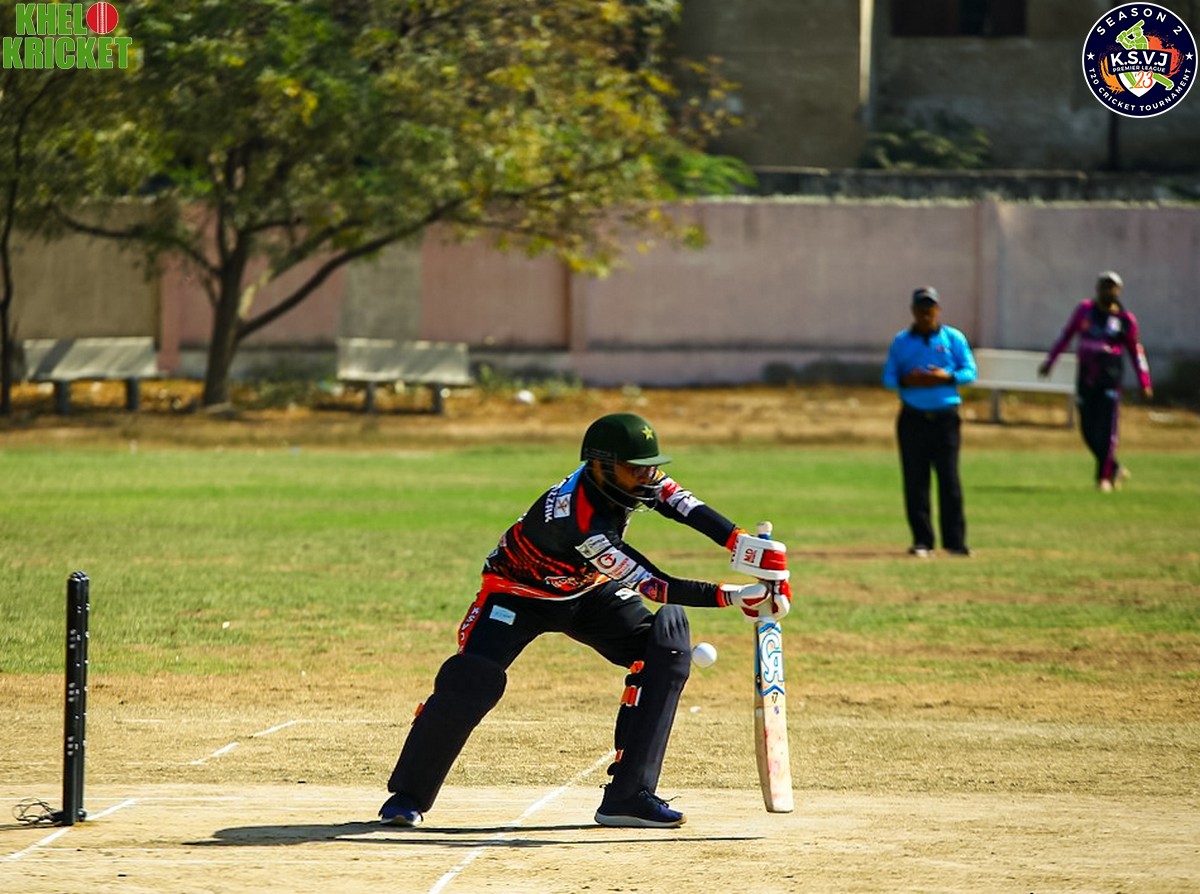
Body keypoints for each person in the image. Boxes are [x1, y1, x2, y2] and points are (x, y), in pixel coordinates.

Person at [378, 412, 792, 829]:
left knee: (665, 646)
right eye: (635, 468)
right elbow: (652, 584)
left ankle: (629, 797)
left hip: (587, 591)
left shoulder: (633, 479)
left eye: (651, 467)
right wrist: (733, 596)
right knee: (473, 678)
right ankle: (407, 796)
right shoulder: (577, 520)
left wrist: (743, 543)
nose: (647, 476)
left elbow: (684, 506)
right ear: (601, 465)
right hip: (516, 594)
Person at [882, 286, 977, 558]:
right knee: (916, 481)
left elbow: (970, 372)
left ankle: (955, 542)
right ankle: (923, 540)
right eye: (921, 308)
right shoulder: (902, 341)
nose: (926, 313)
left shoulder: (953, 338)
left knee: (949, 480)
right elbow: (888, 378)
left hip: (945, 419)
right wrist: (907, 379)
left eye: (930, 307)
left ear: (938, 310)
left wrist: (945, 377)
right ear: (913, 311)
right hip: (913, 417)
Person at [1038, 271, 1153, 492]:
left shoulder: (1125, 320)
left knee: (1107, 429)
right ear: (1097, 288)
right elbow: (1066, 335)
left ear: (1118, 290)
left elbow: (1136, 352)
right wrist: (1051, 360)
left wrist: (1144, 381)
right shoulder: (1085, 311)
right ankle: (1114, 467)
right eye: (1104, 286)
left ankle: (1103, 478)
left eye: (1112, 287)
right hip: (1086, 378)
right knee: (1088, 429)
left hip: (1110, 379)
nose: (1108, 291)